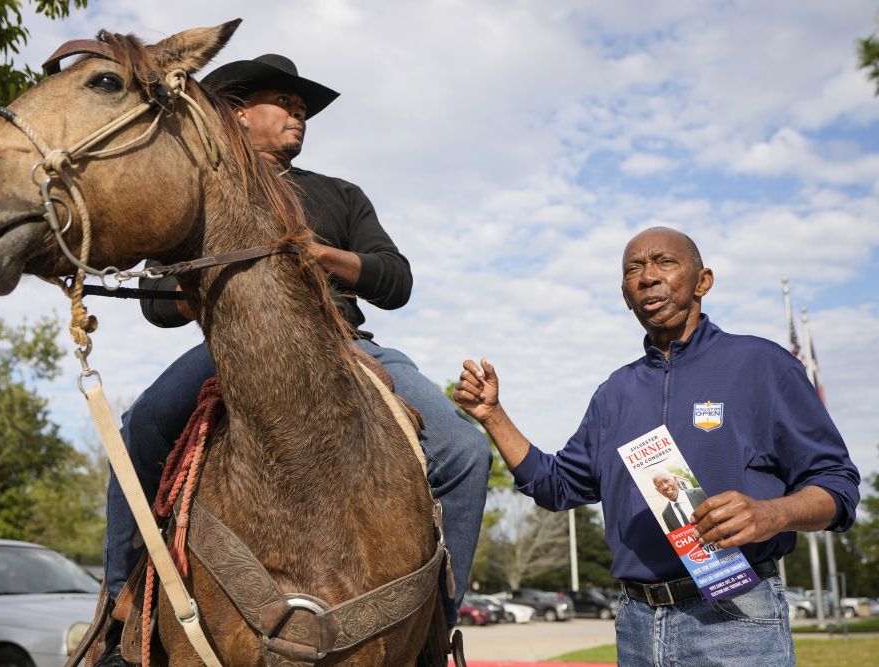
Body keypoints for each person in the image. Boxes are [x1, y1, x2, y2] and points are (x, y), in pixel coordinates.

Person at [102, 54, 489, 634]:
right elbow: (159, 305)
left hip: (346, 343)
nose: (298, 116)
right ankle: (122, 605)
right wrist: (215, 280)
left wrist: (320, 254)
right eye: (285, 104)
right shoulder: (200, 194)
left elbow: (397, 281)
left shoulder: (340, 194)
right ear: (236, 113)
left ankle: (436, 619)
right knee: (143, 423)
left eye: (303, 110)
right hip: (234, 345)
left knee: (465, 452)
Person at [453, 226, 860, 667]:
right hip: (637, 623)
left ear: (703, 280)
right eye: (634, 269)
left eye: (665, 262)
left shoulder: (761, 365)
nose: (648, 276)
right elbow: (554, 486)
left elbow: (837, 486)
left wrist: (770, 514)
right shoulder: (614, 393)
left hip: (737, 616)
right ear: (626, 295)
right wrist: (493, 415)